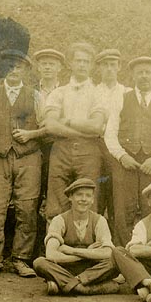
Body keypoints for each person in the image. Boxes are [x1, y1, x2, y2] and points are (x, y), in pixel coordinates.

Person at [0, 50, 44, 278]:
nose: (14, 71)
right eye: (9, 66)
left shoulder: (35, 96)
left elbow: (46, 129)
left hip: (28, 158)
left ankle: (21, 259)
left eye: (19, 67)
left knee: (27, 209)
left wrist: (31, 134)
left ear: (25, 70)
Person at [104, 56, 151, 246]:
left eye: (148, 72)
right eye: (140, 72)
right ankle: (123, 257)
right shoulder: (121, 98)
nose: (144, 76)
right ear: (133, 75)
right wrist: (122, 156)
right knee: (122, 210)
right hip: (125, 163)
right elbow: (110, 134)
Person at [43, 43, 107, 220]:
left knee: (88, 198)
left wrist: (68, 121)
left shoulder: (98, 93)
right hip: (61, 150)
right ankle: (55, 245)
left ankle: (87, 246)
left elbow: (96, 126)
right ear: (70, 63)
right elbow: (50, 126)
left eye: (86, 61)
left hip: (89, 152)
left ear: (91, 65)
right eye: (78, 60)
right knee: (56, 201)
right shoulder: (59, 92)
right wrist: (82, 132)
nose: (82, 65)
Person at [32, 178, 120, 295]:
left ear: (93, 200)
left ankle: (64, 284)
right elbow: (51, 254)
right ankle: (85, 288)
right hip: (66, 267)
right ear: (70, 197)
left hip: (92, 269)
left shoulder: (99, 220)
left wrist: (71, 251)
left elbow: (108, 253)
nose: (84, 199)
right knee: (40, 263)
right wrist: (88, 253)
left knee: (115, 261)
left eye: (88, 196)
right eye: (79, 195)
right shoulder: (59, 220)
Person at [31, 47, 65, 257]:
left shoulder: (67, 91)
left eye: (52, 64)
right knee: (34, 196)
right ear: (38, 67)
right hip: (35, 149)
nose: (48, 67)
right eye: (44, 63)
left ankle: (58, 246)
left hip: (60, 148)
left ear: (60, 67)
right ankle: (34, 251)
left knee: (58, 198)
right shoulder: (30, 91)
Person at [93, 48, 132, 223]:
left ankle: (118, 241)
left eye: (112, 65)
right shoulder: (92, 92)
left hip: (119, 149)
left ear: (119, 67)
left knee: (119, 196)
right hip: (96, 146)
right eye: (105, 65)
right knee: (98, 191)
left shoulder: (127, 92)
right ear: (99, 68)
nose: (109, 69)